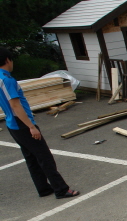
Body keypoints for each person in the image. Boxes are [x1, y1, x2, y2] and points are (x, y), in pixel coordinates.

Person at [0, 48, 80, 199]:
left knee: (31, 157)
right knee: (44, 157)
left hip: (11, 124)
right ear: (7, 60)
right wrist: (31, 126)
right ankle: (61, 189)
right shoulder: (7, 80)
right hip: (21, 124)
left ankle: (43, 188)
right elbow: (15, 105)